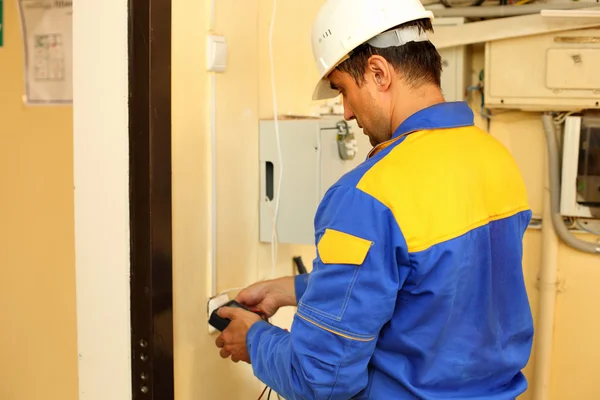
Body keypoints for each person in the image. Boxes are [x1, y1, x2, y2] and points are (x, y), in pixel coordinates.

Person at [214, 0, 534, 398]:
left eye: (343, 90)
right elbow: (435, 285)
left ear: (379, 72)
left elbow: (321, 380)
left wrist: (254, 340)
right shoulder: (495, 158)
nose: (346, 113)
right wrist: (296, 288)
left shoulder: (368, 196)